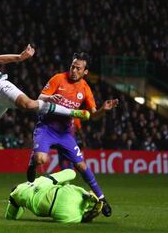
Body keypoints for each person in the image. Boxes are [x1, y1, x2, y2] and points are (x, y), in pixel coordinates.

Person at [26, 52, 119, 217]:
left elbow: (93, 115)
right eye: (72, 66)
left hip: (65, 133)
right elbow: (40, 97)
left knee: (82, 166)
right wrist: (49, 98)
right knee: (41, 159)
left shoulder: (85, 89)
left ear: (85, 72)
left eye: (78, 68)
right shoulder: (58, 78)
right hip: (46, 127)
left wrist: (103, 110)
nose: (74, 70)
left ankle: (102, 198)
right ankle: (32, 164)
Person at [5, 169, 103, 223]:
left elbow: (11, 217)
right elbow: (71, 173)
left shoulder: (15, 195)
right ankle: (89, 197)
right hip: (63, 194)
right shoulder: (41, 179)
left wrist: (20, 206)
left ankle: (86, 216)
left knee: (75, 217)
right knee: (71, 189)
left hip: (56, 210)